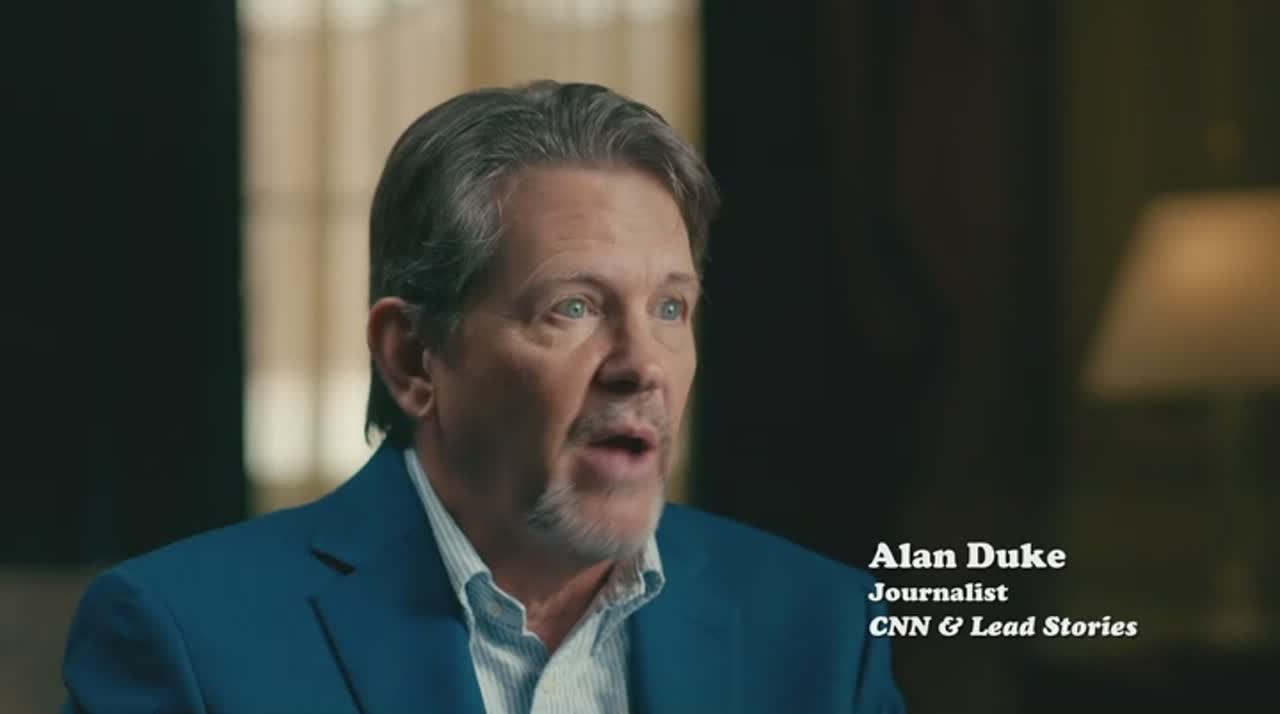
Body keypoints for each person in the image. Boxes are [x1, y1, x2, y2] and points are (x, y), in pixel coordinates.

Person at [61, 79, 907, 714]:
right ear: (413, 358)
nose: (641, 365)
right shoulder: (185, 639)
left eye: (669, 309)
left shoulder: (823, 631)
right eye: (573, 307)